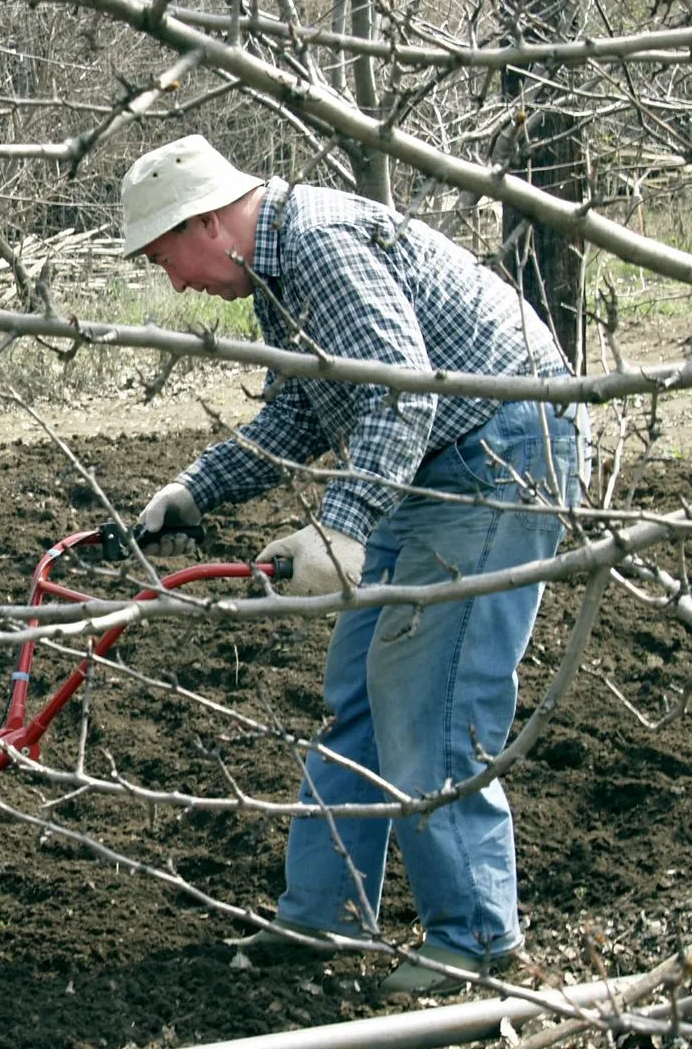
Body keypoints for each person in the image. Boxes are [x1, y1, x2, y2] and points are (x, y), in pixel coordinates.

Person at [121, 135, 583, 994]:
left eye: (166, 257)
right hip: (436, 463)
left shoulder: (322, 245)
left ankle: (479, 944)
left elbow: (404, 390)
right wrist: (194, 490)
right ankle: (321, 922)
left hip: (505, 452)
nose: (175, 282)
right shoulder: (278, 278)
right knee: (358, 700)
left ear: (211, 221)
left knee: (432, 701)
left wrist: (341, 530)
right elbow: (302, 415)